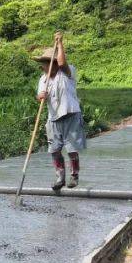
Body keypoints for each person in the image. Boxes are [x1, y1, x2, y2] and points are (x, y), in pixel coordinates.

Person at [34, 31, 86, 190]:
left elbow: (63, 63)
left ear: (54, 63)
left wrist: (60, 43)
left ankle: (74, 176)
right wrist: (40, 96)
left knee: (71, 148)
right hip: (54, 118)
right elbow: (40, 97)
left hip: (70, 114)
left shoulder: (67, 72)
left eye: (47, 62)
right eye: (43, 63)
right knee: (54, 149)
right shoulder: (43, 79)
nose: (44, 66)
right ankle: (60, 177)